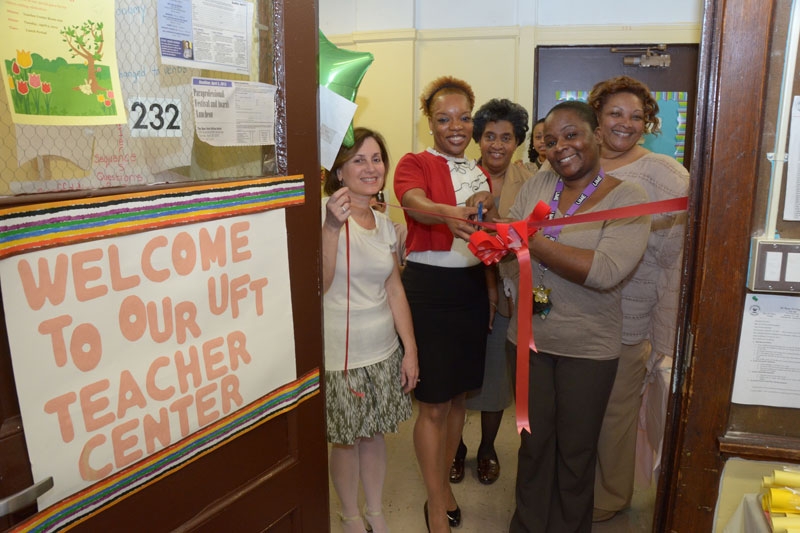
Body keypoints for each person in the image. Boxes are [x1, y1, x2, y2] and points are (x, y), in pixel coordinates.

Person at [506, 100, 650, 533]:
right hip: (528, 341)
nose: (561, 147)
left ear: (597, 136)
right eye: (551, 141)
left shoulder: (628, 197)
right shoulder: (538, 184)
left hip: (588, 349)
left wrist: (530, 241)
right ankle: (527, 527)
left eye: (572, 135)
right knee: (533, 448)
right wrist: (490, 236)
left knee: (576, 454)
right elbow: (509, 248)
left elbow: (605, 271)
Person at [393, 75, 496, 533]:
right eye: (444, 119)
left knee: (458, 399)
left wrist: (486, 200)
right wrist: (446, 212)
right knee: (433, 404)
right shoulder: (415, 162)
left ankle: (443, 488)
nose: (456, 127)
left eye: (464, 117)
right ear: (429, 123)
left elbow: (486, 233)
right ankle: (435, 503)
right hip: (430, 291)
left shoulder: (478, 170)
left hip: (469, 289)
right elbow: (413, 203)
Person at [587, 75, 690, 522]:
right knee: (574, 413)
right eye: (615, 113)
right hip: (573, 316)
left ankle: (609, 496)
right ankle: (573, 488)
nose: (625, 123)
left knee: (615, 415)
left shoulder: (666, 175)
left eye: (636, 116)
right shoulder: (577, 163)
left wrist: (665, 336)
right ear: (596, 116)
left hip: (628, 318)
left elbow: (675, 260)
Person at [322, 127, 419, 533]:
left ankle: (375, 511)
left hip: (382, 350)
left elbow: (394, 289)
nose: (370, 167)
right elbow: (319, 284)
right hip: (340, 356)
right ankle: (350, 515)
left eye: (376, 159)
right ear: (339, 172)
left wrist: (410, 350)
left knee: (375, 435)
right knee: (346, 439)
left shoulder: (384, 224)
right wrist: (331, 227)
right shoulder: (323, 214)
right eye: (358, 160)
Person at [450, 98, 533, 487]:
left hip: (510, 293)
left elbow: (532, 237)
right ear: (477, 139)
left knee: (497, 376)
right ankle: (455, 447)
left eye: (506, 137)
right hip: (464, 288)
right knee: (458, 373)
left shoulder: (531, 180)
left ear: (517, 142)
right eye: (489, 136)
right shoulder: (461, 178)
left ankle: (487, 448)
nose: (497, 145)